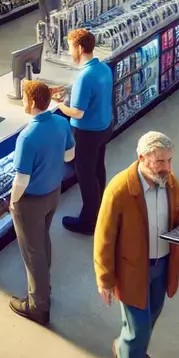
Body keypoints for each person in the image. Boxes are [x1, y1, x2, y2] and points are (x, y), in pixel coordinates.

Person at [95, 131, 179, 358]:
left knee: (149, 319)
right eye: (161, 162)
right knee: (138, 329)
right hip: (132, 274)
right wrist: (104, 279)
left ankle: (128, 346)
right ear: (142, 158)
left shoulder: (170, 182)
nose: (168, 168)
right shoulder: (118, 190)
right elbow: (104, 237)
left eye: (169, 160)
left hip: (162, 268)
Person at [8, 80, 75, 325]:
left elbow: (21, 179)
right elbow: (70, 155)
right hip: (53, 193)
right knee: (42, 239)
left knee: (32, 251)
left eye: (24, 98)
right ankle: (45, 289)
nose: (23, 102)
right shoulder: (60, 122)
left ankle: (38, 307)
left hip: (31, 201)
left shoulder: (27, 137)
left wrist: (12, 203)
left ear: (33, 102)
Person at [56, 28, 113, 236]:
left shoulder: (85, 77)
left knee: (85, 174)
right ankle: (101, 207)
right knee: (98, 166)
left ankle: (88, 221)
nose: (69, 51)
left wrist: (60, 105)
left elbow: (78, 113)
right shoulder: (103, 68)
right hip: (105, 126)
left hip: (87, 132)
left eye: (71, 47)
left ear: (79, 48)